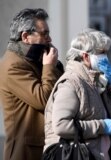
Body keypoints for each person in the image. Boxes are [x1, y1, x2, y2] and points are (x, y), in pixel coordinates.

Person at [44, 28, 111, 160]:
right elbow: (61, 126)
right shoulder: (71, 83)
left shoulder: (97, 82)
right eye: (102, 53)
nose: (106, 57)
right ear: (86, 56)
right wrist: (101, 126)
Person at [0, 8, 64, 160]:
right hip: (25, 151)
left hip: (43, 147)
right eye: (44, 34)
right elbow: (43, 100)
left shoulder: (33, 59)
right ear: (25, 37)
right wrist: (49, 67)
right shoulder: (13, 65)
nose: (49, 39)